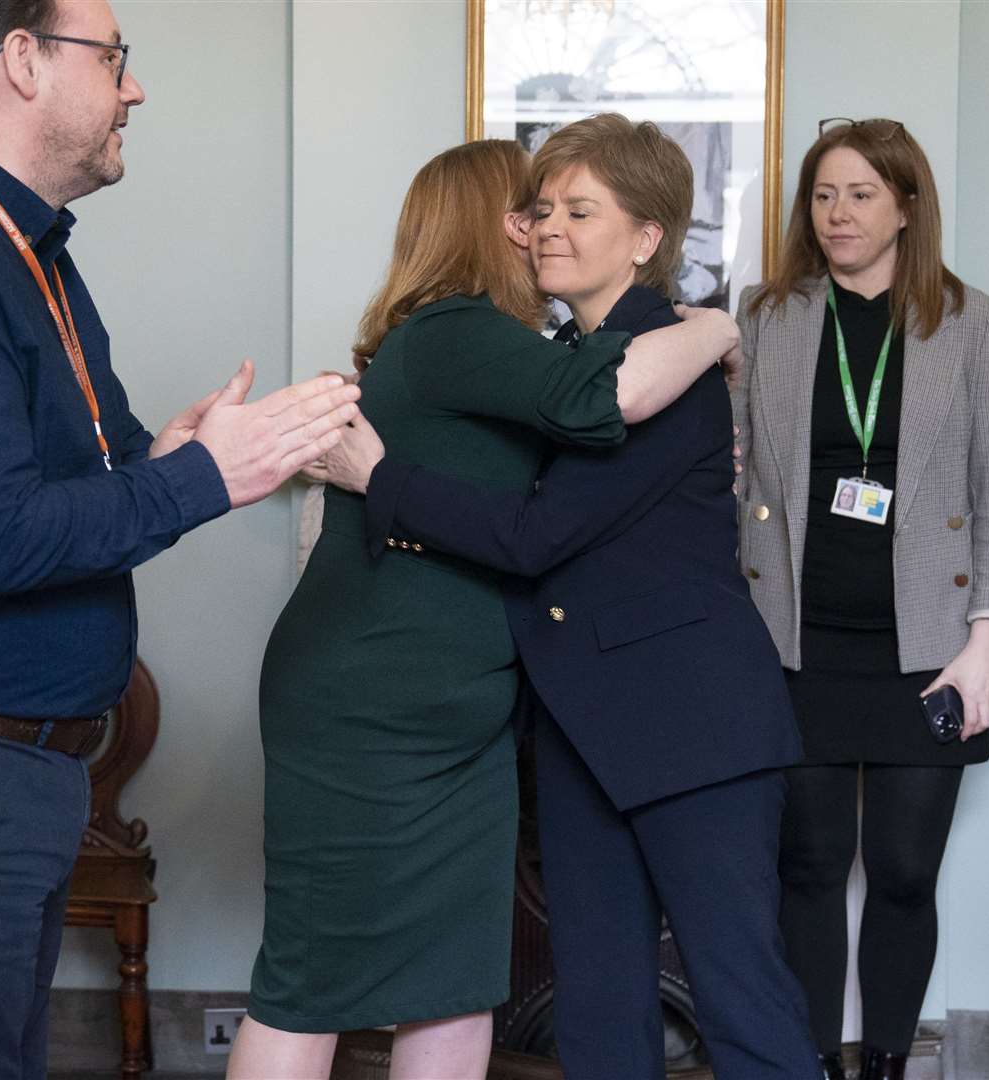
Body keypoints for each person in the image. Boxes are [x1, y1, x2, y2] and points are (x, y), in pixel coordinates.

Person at [0, 2, 360, 1075]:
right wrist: (203, 478)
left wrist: (172, 461)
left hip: (25, 765)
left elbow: (76, 485)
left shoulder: (27, 249)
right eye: (113, 59)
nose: (132, 90)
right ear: (23, 61)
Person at [228, 137, 744, 1080]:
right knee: (312, 979)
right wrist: (712, 329)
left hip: (457, 724)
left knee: (456, 984)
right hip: (370, 710)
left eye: (564, 210)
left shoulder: (488, 343)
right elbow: (607, 398)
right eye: (535, 209)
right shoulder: (456, 330)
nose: (547, 227)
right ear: (499, 224)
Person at [733, 118, 989, 1080]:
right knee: (807, 870)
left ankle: (889, 1067)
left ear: (905, 205)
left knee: (903, 874)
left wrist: (987, 643)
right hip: (793, 643)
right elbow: (729, 478)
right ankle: (812, 1063)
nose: (837, 214)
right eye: (823, 195)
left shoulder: (967, 319)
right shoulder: (764, 315)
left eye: (860, 194)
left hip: (930, 648)